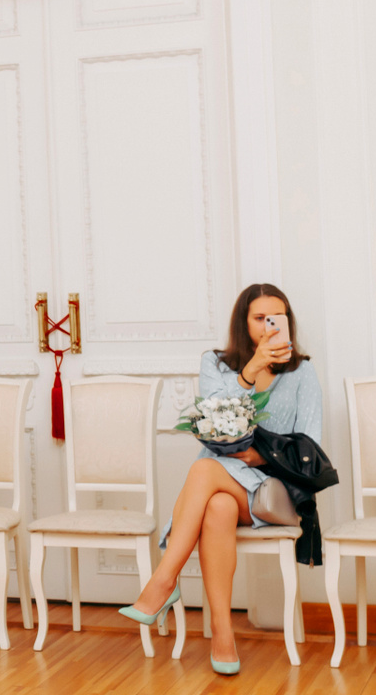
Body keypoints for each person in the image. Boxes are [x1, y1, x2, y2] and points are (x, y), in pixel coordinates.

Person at [119, 283, 323, 673]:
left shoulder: (303, 372)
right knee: (218, 507)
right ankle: (222, 633)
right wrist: (250, 371)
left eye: (275, 318)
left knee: (203, 468)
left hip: (273, 491)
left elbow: (311, 445)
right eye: (259, 318)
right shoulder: (215, 364)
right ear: (243, 323)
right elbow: (213, 418)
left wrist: (263, 455)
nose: (267, 325)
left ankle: (164, 581)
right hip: (222, 485)